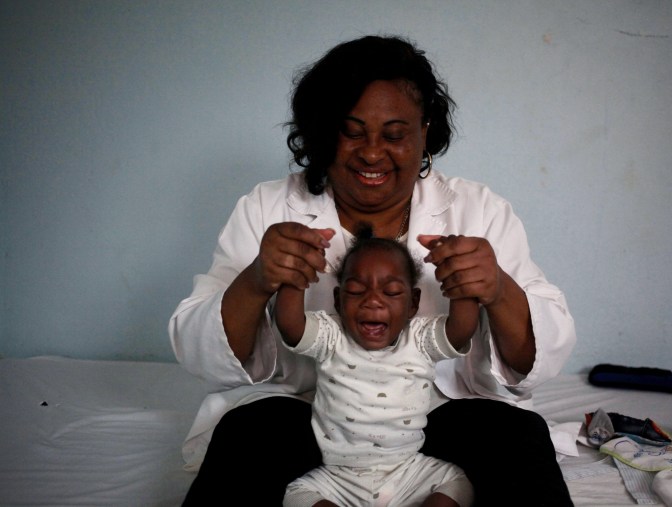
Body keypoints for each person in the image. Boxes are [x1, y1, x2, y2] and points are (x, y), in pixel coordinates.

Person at [169, 34, 577, 505]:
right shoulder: (267, 206)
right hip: (309, 420)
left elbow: (540, 359)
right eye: (352, 131)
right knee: (249, 433)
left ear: (425, 130)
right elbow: (199, 351)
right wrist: (258, 278)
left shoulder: (478, 209)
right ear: (323, 131)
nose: (372, 152)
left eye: (395, 135)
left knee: (515, 435)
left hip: (439, 419)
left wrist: (498, 289)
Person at [275, 227, 479, 507]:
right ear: (338, 299)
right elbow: (289, 325)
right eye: (357, 290)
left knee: (456, 482)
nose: (372, 300)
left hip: (409, 471)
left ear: (413, 304)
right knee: (296, 495)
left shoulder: (419, 339)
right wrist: (296, 273)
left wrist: (458, 274)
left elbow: (462, 328)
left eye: (392, 292)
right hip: (339, 477)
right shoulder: (331, 336)